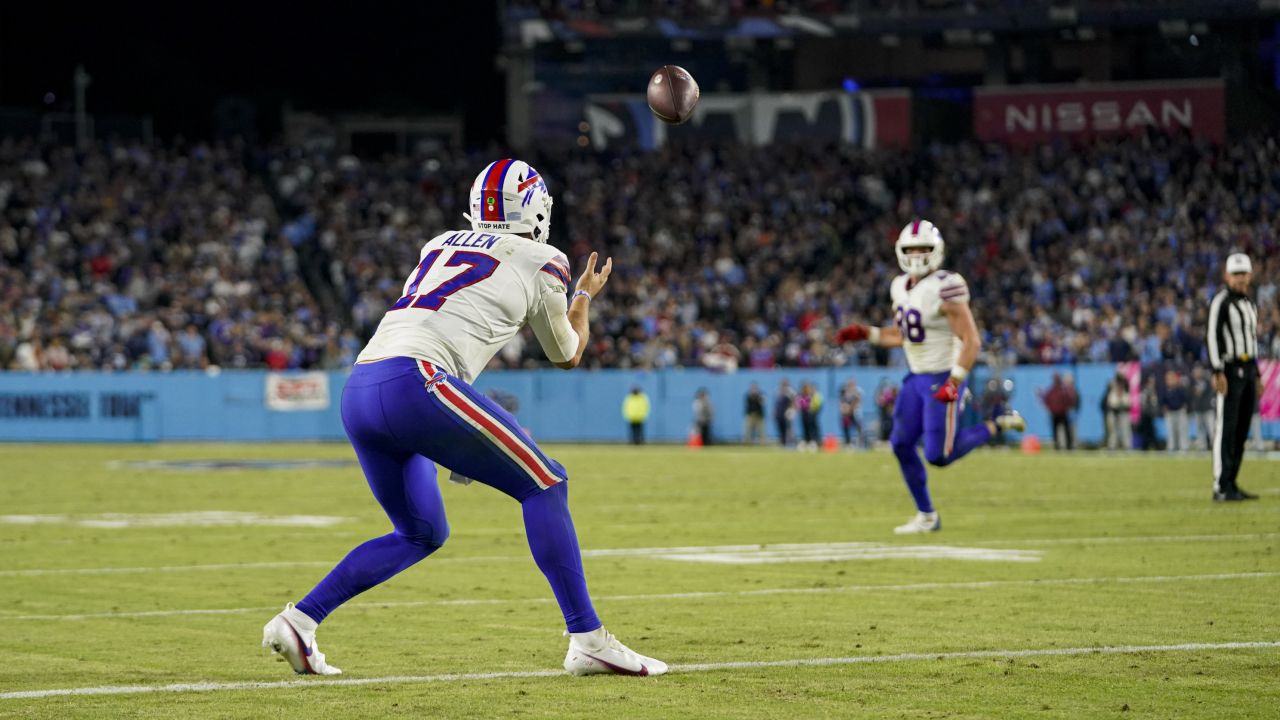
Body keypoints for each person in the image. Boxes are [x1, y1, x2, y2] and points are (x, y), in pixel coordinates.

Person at [261, 158, 666, 677]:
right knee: (546, 483)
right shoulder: (544, 258)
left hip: (362, 384)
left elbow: (449, 321)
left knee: (421, 532)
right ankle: (587, 638)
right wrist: (583, 296)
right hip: (418, 383)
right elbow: (566, 353)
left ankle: (301, 620)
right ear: (536, 208)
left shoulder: (439, 244)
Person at [834, 220, 1024, 534]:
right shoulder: (899, 286)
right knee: (900, 444)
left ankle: (997, 422)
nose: (918, 254)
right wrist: (866, 333)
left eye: (924, 248)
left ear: (936, 251)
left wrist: (955, 381)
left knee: (938, 455)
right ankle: (927, 515)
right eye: (912, 249)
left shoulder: (946, 284)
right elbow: (907, 335)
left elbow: (972, 340)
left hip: (942, 375)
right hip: (915, 377)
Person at [1207, 253, 1261, 501]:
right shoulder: (1221, 301)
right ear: (1227, 276)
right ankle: (1221, 484)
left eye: (1243, 274)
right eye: (1236, 274)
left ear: (1249, 276)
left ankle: (1232, 481)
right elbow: (1212, 336)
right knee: (1226, 428)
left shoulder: (1250, 304)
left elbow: (1252, 341)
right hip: (1230, 369)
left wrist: (1257, 372)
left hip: (1248, 369)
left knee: (1242, 429)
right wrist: (1217, 370)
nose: (1240, 279)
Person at [1038, 372, 1077, 451]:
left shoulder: (1063, 390)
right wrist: (1049, 409)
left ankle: (1068, 447)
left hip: (1063, 413)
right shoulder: (1051, 390)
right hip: (1054, 414)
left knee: (1066, 431)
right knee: (1055, 431)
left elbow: (1070, 400)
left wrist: (1068, 408)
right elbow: (1046, 401)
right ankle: (1057, 447)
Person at [1161, 369, 1190, 452]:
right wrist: (1164, 407)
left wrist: (1184, 407)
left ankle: (1184, 447)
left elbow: (1185, 399)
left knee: (1182, 430)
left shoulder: (1180, 388)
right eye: (1167, 378)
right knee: (1170, 431)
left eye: (1170, 378)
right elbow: (1162, 401)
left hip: (1180, 411)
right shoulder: (1165, 389)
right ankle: (1171, 447)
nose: (1168, 380)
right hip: (1170, 412)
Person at [1105, 372, 1133, 450]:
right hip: (1113, 410)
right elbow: (1108, 391)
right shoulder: (1112, 385)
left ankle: (1127, 446)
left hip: (1123, 410)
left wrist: (1123, 380)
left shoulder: (1125, 385)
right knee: (1112, 431)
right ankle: (1112, 446)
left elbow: (1127, 387)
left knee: (1125, 430)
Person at [1190, 366, 1215, 450]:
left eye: (1198, 371)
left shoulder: (1207, 381)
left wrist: (1198, 391)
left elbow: (1205, 391)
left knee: (1211, 428)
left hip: (1207, 408)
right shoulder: (1192, 382)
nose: (1197, 373)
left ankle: (1215, 445)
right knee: (1199, 429)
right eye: (1195, 372)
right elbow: (1190, 393)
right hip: (1198, 409)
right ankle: (1202, 447)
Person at [839, 379, 867, 448]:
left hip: (856, 413)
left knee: (860, 428)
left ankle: (861, 444)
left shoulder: (857, 391)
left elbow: (857, 401)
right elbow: (843, 403)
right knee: (847, 428)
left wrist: (850, 408)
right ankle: (849, 443)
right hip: (849, 414)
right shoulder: (846, 392)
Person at [795, 381, 822, 451]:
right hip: (804, 415)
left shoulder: (812, 395)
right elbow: (800, 405)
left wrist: (810, 407)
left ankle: (814, 442)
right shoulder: (802, 396)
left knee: (812, 429)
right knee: (805, 429)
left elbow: (814, 405)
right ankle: (806, 442)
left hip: (811, 415)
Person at [773, 379, 795, 447]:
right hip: (780, 413)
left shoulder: (790, 392)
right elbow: (777, 404)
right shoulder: (778, 391)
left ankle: (791, 443)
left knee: (788, 428)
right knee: (781, 428)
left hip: (787, 413)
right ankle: (783, 442)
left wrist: (791, 411)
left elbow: (793, 402)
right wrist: (775, 412)